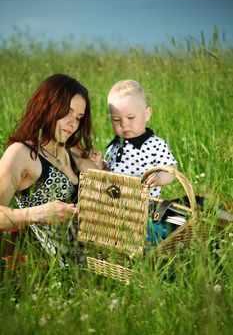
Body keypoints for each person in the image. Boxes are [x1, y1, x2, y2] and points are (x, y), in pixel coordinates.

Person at [0, 73, 98, 265]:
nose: (73, 123)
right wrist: (38, 214)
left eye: (79, 117)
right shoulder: (21, 153)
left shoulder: (71, 149)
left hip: (101, 256)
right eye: (67, 112)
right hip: (59, 268)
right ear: (47, 106)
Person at [92, 79, 178, 243]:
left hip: (142, 211)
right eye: (117, 120)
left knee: (145, 235)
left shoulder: (154, 144)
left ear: (147, 114)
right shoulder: (114, 146)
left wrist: (160, 178)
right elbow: (108, 174)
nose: (124, 124)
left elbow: (171, 170)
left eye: (131, 117)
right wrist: (99, 165)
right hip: (114, 209)